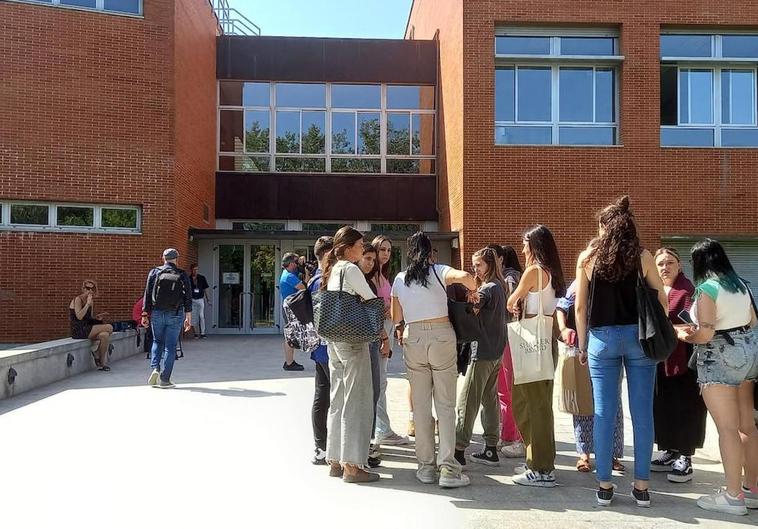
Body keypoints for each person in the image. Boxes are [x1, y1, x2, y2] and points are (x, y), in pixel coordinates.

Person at [574, 196, 667, 507]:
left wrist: (583, 344)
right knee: (641, 413)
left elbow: (580, 305)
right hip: (640, 338)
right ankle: (641, 486)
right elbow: (662, 300)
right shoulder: (642, 256)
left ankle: (604, 485)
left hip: (601, 339)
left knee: (604, 411)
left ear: (605, 227)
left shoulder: (587, 259)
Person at [675, 239, 758, 515]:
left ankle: (733, 497)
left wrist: (685, 334)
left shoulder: (707, 289)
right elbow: (752, 323)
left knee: (727, 429)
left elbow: (706, 333)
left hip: (718, 357)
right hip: (748, 354)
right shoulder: (741, 285)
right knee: (748, 426)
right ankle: (751, 489)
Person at [392, 231, 477, 488]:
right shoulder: (438, 270)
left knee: (420, 406)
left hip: (413, 337)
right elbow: (465, 278)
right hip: (441, 337)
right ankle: (449, 469)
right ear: (430, 252)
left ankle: (426, 467)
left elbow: (397, 315)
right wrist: (472, 291)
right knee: (446, 405)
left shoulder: (399, 278)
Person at [506, 225, 566, 488]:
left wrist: (515, 300)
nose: (522, 249)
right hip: (546, 340)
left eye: (525, 243)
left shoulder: (533, 271)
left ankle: (540, 468)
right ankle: (540, 462)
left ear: (534, 245)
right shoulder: (553, 272)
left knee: (529, 404)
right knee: (540, 405)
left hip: (531, 339)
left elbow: (511, 301)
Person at [322, 227, 383, 483]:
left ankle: (335, 460)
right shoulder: (351, 268)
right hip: (353, 339)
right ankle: (353, 466)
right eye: (360, 244)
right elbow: (370, 298)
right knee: (357, 400)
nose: (363, 248)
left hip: (333, 338)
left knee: (337, 398)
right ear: (348, 248)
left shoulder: (335, 269)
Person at [556, 280, 625, 473]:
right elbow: (562, 306)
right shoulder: (580, 282)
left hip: (611, 346)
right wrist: (564, 329)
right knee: (583, 399)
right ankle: (584, 453)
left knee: (612, 401)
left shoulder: (616, 279)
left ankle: (611, 454)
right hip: (582, 346)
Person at [651, 247, 707, 483]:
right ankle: (670, 450)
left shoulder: (688, 291)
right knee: (663, 406)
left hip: (684, 361)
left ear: (679, 266)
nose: (665, 268)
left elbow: (691, 326)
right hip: (658, 360)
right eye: (661, 263)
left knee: (686, 408)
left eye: (670, 263)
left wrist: (668, 329)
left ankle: (685, 456)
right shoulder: (653, 290)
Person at [454, 248, 507, 467]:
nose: (475, 269)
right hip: (496, 349)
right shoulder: (500, 286)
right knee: (489, 399)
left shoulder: (487, 289)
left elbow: (471, 311)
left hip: (482, 350)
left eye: (479, 265)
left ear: (490, 265)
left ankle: (458, 450)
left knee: (468, 400)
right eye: (474, 265)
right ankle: (491, 448)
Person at [369, 235, 410, 446]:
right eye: (382, 249)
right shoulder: (372, 276)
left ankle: (381, 428)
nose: (385, 253)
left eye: (389, 250)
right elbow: (370, 307)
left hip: (387, 328)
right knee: (380, 382)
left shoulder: (382, 276)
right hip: (379, 331)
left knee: (381, 381)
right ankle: (382, 429)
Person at [141, 248, 193, 389]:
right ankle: (165, 379)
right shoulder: (182, 274)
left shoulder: (155, 272)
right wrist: (188, 317)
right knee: (170, 346)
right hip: (176, 313)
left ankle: (155, 369)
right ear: (177, 259)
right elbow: (188, 297)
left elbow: (147, 293)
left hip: (157, 312)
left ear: (162, 258)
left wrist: (145, 314)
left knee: (157, 341)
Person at [358, 242, 385, 468]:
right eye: (367, 258)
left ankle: (367, 444)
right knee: (367, 394)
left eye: (372, 260)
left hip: (372, 342)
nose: (371, 263)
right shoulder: (356, 282)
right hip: (362, 344)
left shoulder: (369, 282)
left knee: (374, 392)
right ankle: (363, 448)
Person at [498, 245, 525, 458]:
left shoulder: (508, 278)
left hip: (508, 334)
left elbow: (512, 305)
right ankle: (510, 433)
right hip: (516, 335)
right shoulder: (520, 274)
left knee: (506, 389)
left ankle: (510, 434)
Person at [310, 236, 333, 466]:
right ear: (326, 255)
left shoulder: (313, 280)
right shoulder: (322, 282)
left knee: (322, 395)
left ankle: (321, 447)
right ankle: (328, 447)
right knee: (333, 399)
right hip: (328, 348)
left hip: (318, 349)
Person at [69, 279, 113, 371]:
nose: (90, 291)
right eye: (88, 288)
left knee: (104, 335)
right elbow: (79, 317)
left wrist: (97, 318)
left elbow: (89, 318)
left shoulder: (91, 301)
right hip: (79, 329)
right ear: (83, 289)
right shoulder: (78, 299)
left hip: (87, 327)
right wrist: (87, 305)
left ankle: (101, 361)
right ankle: (97, 355)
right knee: (109, 327)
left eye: (93, 289)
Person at [280, 252, 305, 371]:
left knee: (290, 334)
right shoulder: (289, 277)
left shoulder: (288, 272)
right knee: (290, 335)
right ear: (290, 264)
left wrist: (300, 262)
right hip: (290, 308)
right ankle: (289, 363)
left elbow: (297, 271)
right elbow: (304, 288)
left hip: (289, 307)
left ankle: (289, 362)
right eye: (295, 263)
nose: (297, 264)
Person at [189, 264, 210, 339]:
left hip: (200, 299)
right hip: (192, 299)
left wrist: (208, 299)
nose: (195, 271)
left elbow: (206, 289)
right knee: (194, 317)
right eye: (194, 269)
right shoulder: (188, 279)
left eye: (197, 269)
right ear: (191, 270)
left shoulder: (202, 278)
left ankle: (203, 333)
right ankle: (196, 333)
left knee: (201, 316)